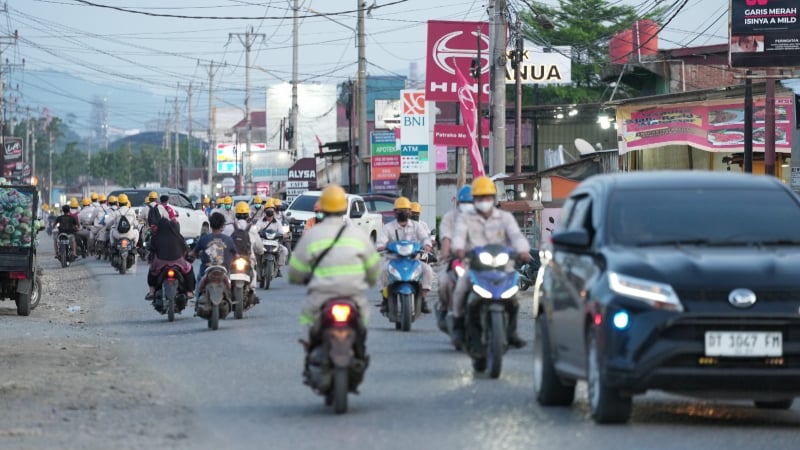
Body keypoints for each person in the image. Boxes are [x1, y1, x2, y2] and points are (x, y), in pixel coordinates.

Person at [289, 184, 379, 358]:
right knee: (363, 318)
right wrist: (371, 280)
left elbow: (295, 269)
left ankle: (312, 350)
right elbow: (374, 268)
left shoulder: (312, 235)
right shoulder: (357, 234)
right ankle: (360, 351)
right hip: (353, 295)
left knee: (308, 318)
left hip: (322, 295)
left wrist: (297, 278)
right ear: (343, 208)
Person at [450, 176, 532, 348]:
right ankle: (458, 326)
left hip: (502, 266)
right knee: (460, 289)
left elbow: (516, 236)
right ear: (474, 200)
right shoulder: (466, 218)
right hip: (473, 265)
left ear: (493, 199)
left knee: (513, 296)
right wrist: (458, 249)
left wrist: (523, 250)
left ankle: (512, 332)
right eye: (480, 198)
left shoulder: (505, 217)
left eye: (487, 197)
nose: (484, 201)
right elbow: (458, 236)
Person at [375, 196, 434, 314]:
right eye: (399, 210)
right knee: (382, 271)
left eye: (405, 210)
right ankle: (385, 300)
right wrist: (381, 247)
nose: (403, 212)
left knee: (428, 270)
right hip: (393, 259)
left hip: (414, 259)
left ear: (410, 212)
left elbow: (424, 238)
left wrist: (427, 245)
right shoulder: (388, 227)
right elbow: (380, 242)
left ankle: (422, 299)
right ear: (394, 212)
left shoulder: (417, 226)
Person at [435, 185, 473, 329]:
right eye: (465, 203)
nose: (468, 206)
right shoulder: (450, 217)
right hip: (455, 259)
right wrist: (445, 254)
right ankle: (444, 309)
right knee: (444, 282)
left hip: (477, 261)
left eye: (471, 203)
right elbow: (446, 238)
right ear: (458, 203)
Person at [189, 212, 237, 309]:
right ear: (222, 226)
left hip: (207, 270)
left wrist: (190, 256)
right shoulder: (228, 239)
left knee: (199, 279)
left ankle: (197, 301)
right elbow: (237, 255)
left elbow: (193, 253)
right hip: (223, 270)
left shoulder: (204, 239)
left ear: (210, 225)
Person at [145, 217, 195, 300]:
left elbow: (152, 251)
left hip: (160, 263)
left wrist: (150, 259)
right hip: (178, 262)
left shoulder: (156, 237)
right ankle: (189, 292)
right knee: (189, 269)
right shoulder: (178, 237)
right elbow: (185, 251)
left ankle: (152, 291)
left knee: (151, 272)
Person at [225, 201, 264, 294]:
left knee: (225, 272)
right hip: (248, 258)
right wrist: (261, 251)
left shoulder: (229, 227)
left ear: (236, 214)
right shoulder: (252, 228)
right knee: (253, 272)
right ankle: (252, 292)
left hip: (232, 258)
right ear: (248, 215)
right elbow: (259, 246)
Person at [254, 199, 288, 277]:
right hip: (263, 243)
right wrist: (255, 232)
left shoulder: (277, 222)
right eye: (268, 210)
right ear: (265, 212)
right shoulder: (260, 221)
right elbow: (256, 228)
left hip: (275, 243)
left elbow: (282, 231)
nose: (269, 212)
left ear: (274, 211)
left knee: (285, 250)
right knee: (254, 250)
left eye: (271, 210)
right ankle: (256, 268)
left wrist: (284, 234)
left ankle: (277, 268)